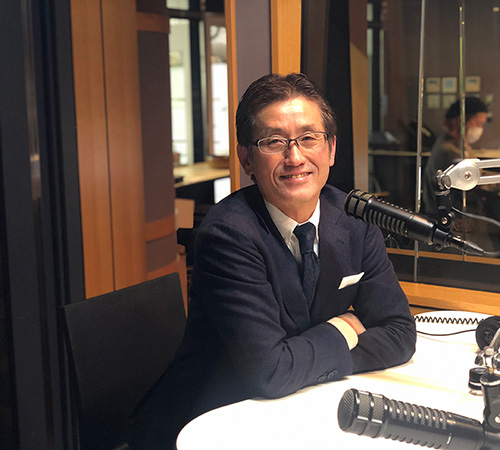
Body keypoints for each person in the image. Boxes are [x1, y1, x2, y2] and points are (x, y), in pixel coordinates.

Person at [129, 73, 417, 449]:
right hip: (215, 422)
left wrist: (301, 361)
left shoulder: (355, 220)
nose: (294, 157)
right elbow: (270, 371)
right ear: (246, 159)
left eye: (308, 138)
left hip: (297, 408)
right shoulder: (228, 234)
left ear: (331, 149)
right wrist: (346, 328)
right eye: (274, 142)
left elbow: (399, 333)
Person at [422, 97, 488, 218]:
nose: (480, 129)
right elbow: (476, 181)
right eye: (478, 123)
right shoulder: (449, 150)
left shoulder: (460, 145)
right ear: (461, 121)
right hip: (450, 218)